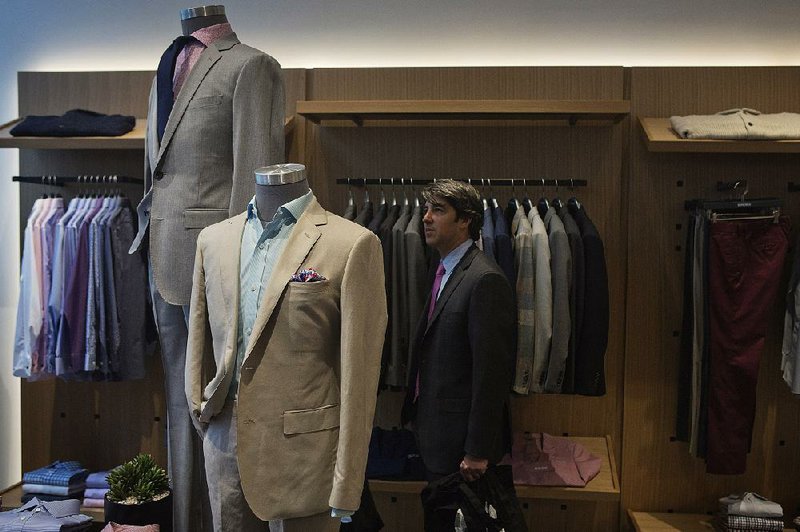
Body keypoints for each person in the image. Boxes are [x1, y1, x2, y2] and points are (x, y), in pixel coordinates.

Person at [402, 179, 516, 528]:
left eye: (438, 210)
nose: (426, 218)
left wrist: (478, 449)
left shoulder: (484, 280)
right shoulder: (444, 270)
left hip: (460, 445)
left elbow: (491, 373)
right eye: (426, 210)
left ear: (465, 220)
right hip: (437, 433)